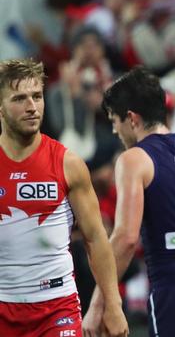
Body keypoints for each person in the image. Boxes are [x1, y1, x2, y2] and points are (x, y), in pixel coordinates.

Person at [82, 67, 175, 336]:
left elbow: (125, 238)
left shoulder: (134, 159)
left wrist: (100, 304)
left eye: (114, 121)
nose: (115, 131)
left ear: (132, 119)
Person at [0, 59, 128, 337]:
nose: (32, 107)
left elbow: (96, 238)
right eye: (19, 98)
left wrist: (113, 305)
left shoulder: (67, 163)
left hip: (57, 309)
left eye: (37, 96)